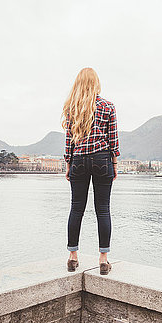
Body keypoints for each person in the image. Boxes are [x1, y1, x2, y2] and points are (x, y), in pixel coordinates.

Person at [61, 67, 120, 275]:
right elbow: (113, 140)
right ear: (96, 83)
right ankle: (103, 260)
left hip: (78, 160)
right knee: (102, 209)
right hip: (102, 159)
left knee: (76, 208)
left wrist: (68, 164)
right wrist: (113, 165)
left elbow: (69, 141)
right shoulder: (108, 107)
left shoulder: (72, 109)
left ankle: (72, 257)